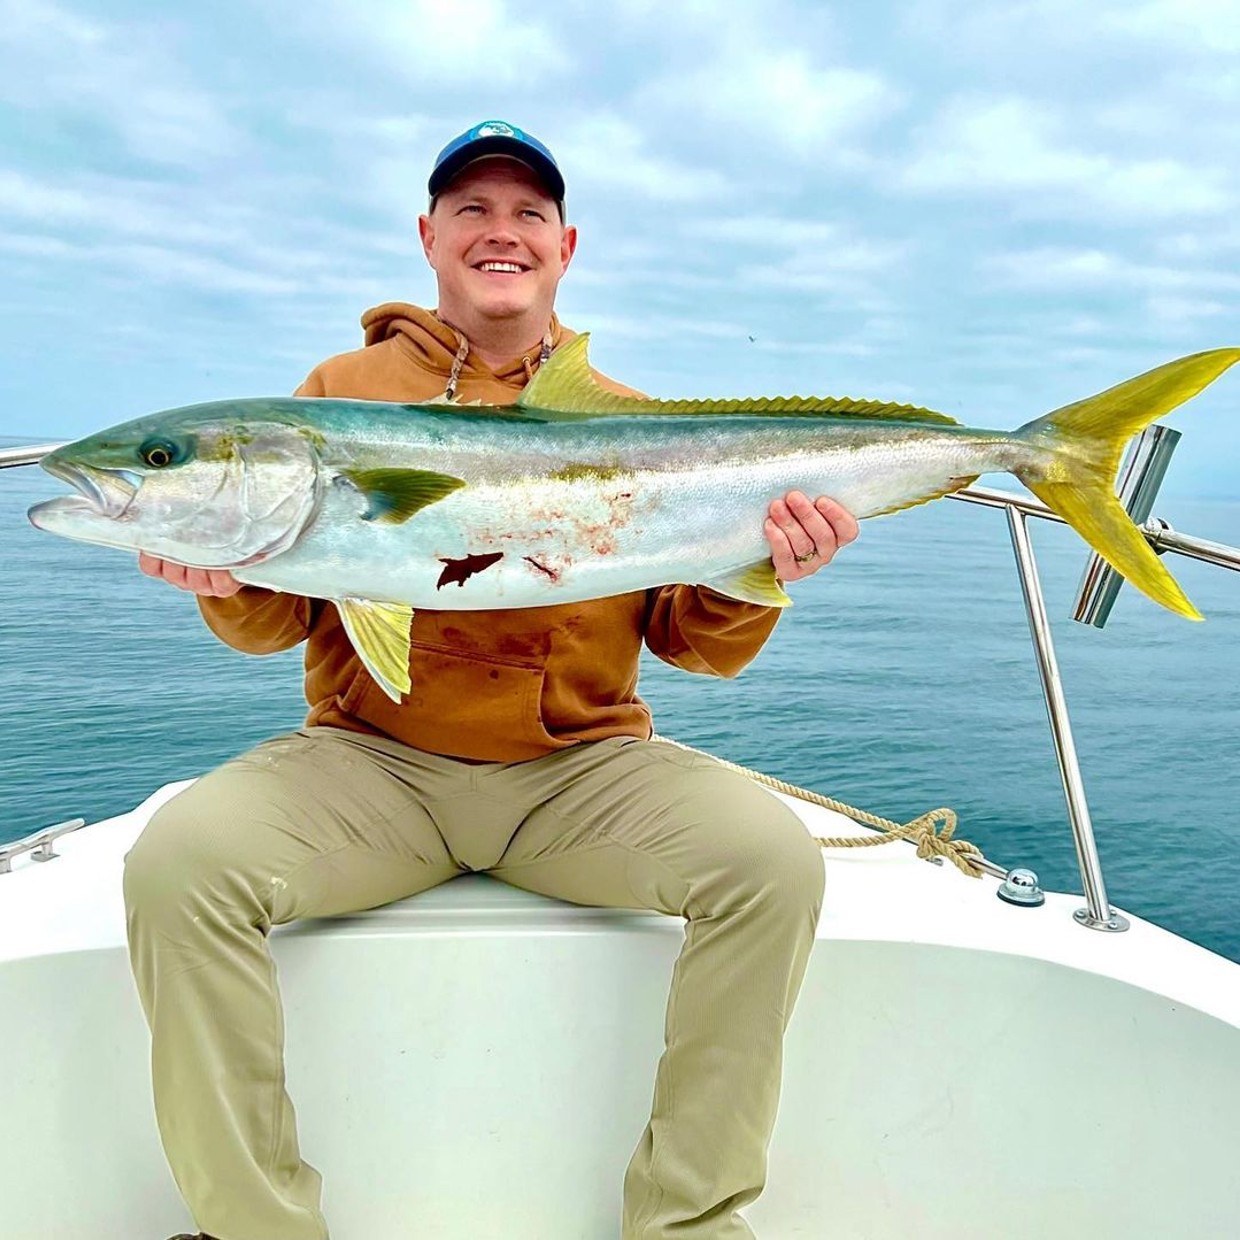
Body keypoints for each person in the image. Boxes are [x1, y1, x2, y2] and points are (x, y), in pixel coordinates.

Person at [125, 119, 859, 1240]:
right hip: (371, 767)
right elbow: (276, 621)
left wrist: (760, 565)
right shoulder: (339, 391)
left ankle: (688, 1223)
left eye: (525, 213)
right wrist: (219, 578)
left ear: (567, 245)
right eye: (471, 210)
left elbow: (692, 642)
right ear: (428, 236)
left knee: (769, 865)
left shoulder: (619, 413)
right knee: (180, 866)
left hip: (580, 770)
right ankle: (256, 1225)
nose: (499, 232)